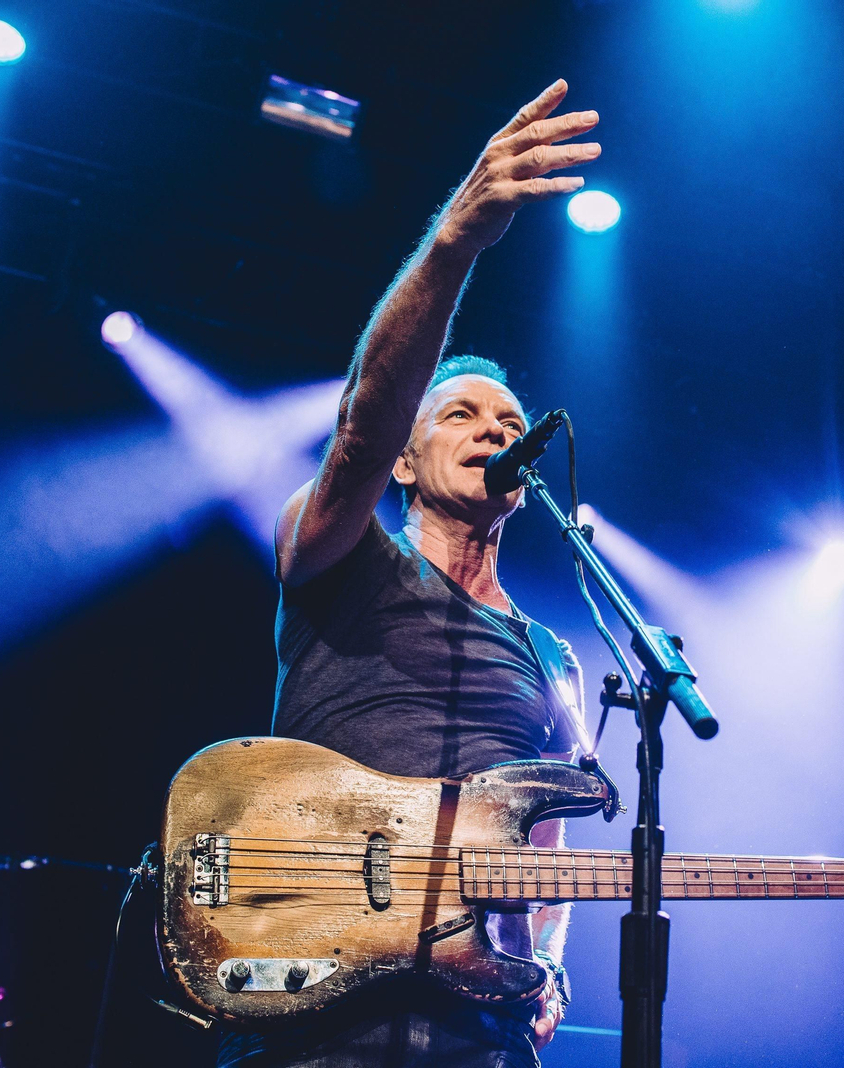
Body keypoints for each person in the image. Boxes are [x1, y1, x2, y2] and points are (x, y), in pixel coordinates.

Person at [216, 78, 601, 1068]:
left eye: (511, 423)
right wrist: (454, 242)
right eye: (462, 416)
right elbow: (357, 429)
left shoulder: (549, 652)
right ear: (406, 459)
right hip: (311, 1005)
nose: (496, 432)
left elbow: (549, 845)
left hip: (481, 1033)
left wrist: (550, 964)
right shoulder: (342, 556)